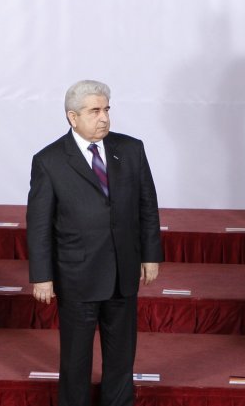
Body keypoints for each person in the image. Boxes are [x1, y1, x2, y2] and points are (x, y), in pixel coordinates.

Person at [27, 80, 162, 406]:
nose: (103, 118)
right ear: (73, 117)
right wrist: (42, 276)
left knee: (121, 358)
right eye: (94, 111)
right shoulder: (49, 160)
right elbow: (39, 224)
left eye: (106, 110)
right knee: (76, 361)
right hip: (77, 277)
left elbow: (147, 206)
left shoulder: (131, 150)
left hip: (123, 273)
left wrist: (151, 255)